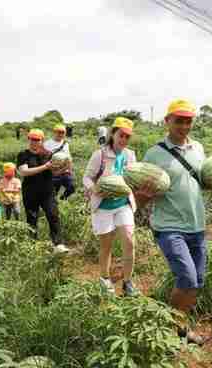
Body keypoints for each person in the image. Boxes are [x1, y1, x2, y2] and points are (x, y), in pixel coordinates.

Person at [136, 99, 212, 345]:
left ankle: (181, 327)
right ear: (167, 121)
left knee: (196, 282)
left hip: (197, 226)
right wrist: (141, 198)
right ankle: (173, 330)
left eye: (188, 120)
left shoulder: (198, 149)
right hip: (169, 227)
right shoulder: (154, 153)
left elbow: (201, 183)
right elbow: (141, 191)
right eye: (178, 120)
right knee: (188, 279)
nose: (184, 125)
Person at [83, 117, 140, 297]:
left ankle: (128, 282)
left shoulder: (130, 155)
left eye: (127, 137)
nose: (123, 140)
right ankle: (105, 279)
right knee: (106, 246)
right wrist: (95, 190)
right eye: (121, 135)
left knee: (129, 242)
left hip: (123, 203)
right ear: (113, 134)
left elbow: (133, 177)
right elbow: (87, 177)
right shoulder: (99, 155)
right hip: (103, 207)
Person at [17, 129, 69, 253]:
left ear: (42, 140)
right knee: (32, 218)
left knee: (53, 215)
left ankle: (58, 244)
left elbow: (54, 172)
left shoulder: (48, 154)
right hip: (30, 191)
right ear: (28, 139)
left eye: (37, 139)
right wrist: (45, 166)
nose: (34, 142)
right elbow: (24, 172)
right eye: (32, 139)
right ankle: (32, 245)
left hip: (47, 191)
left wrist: (64, 168)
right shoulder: (23, 155)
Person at [43, 124, 75, 200]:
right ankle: (56, 204)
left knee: (71, 188)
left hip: (65, 171)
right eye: (58, 132)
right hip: (54, 172)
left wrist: (70, 169)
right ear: (54, 132)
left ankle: (63, 198)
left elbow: (68, 157)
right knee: (54, 192)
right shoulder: (47, 144)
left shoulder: (66, 143)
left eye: (62, 132)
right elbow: (44, 159)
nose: (60, 134)